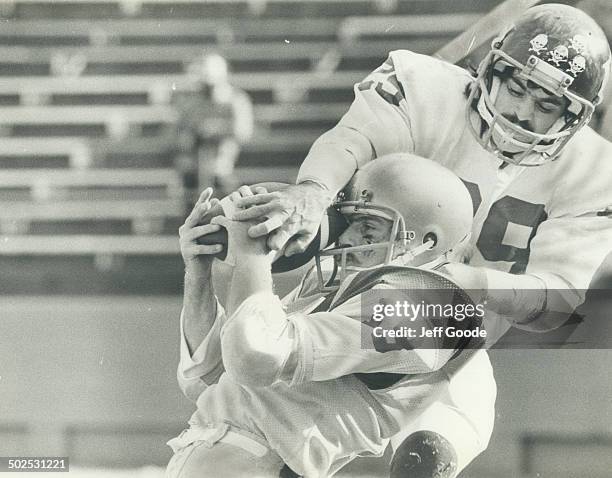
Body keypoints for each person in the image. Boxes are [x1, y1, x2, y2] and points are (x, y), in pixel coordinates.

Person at [233, 4, 612, 343]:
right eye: (515, 88)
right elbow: (354, 139)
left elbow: (558, 301)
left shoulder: (594, 170)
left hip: (457, 332)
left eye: (546, 105)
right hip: (353, 295)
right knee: (270, 220)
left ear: (574, 119)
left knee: (273, 355)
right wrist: (313, 189)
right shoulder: (423, 85)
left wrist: (467, 283)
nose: (522, 113)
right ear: (490, 71)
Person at [167, 154, 496, 478]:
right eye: (348, 224)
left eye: (368, 230)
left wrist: (253, 252)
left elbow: (254, 357)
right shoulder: (342, 283)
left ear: (426, 243)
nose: (348, 239)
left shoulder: (428, 308)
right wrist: (198, 274)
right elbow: (207, 378)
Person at [173, 53, 253, 212]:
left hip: (225, 160)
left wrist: (214, 130)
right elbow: (183, 132)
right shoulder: (193, 102)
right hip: (197, 162)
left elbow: (243, 131)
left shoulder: (235, 99)